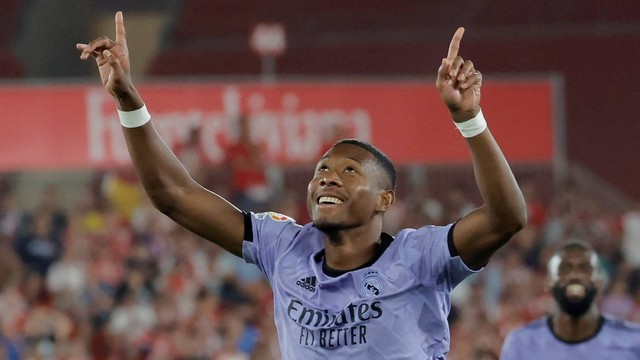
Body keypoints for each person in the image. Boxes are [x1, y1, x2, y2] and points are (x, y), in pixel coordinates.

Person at [77, 12, 527, 359]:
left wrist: (469, 120)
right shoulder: (286, 248)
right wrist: (128, 100)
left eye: (350, 171)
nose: (327, 176)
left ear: (383, 200)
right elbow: (174, 196)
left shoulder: (421, 258)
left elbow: (507, 218)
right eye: (322, 170)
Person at [500, 240, 640, 359]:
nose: (575, 275)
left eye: (584, 269)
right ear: (548, 283)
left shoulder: (633, 341)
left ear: (600, 283)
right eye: (564, 269)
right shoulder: (521, 343)